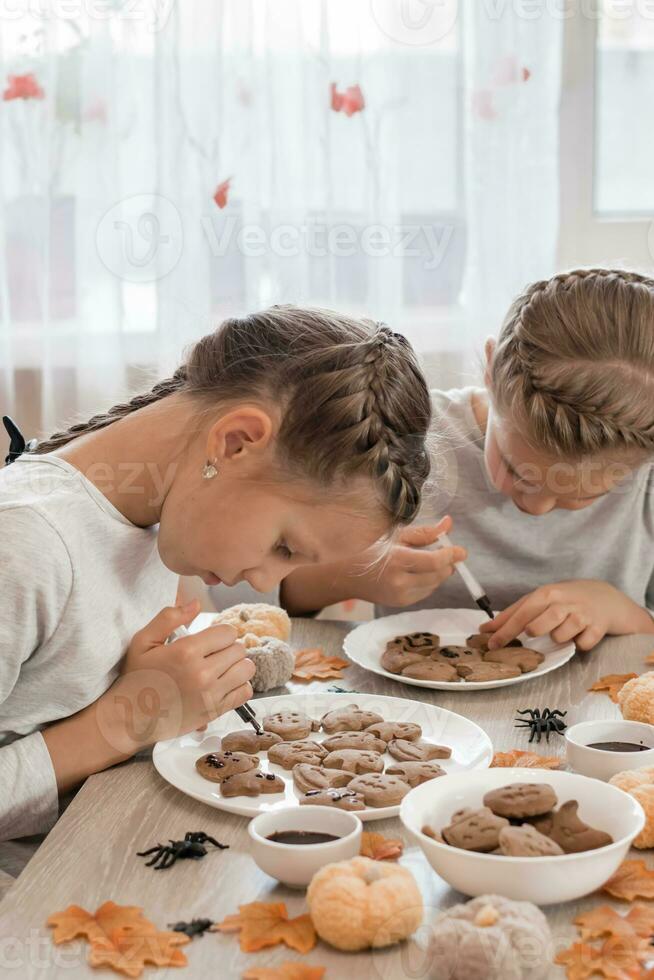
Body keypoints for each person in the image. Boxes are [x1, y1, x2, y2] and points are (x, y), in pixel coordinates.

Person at [0, 305, 432, 868]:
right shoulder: (27, 543)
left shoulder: (154, 516)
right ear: (235, 443)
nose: (264, 581)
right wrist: (128, 719)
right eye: (283, 546)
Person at [282, 269, 654, 651]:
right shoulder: (405, 439)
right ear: (490, 371)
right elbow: (255, 586)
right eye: (516, 471)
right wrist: (350, 574)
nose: (536, 507)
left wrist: (625, 612)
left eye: (580, 494)